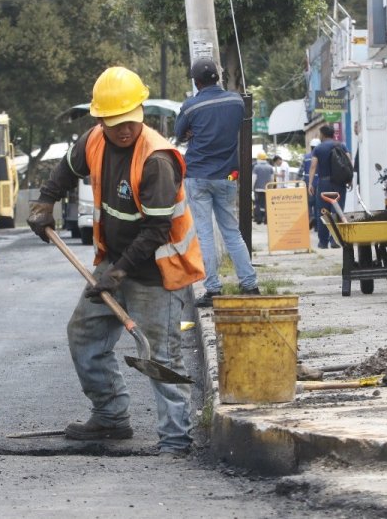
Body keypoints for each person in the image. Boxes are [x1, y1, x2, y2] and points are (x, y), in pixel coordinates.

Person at [26, 65, 205, 459]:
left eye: (130, 120)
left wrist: (118, 273)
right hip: (114, 263)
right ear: (101, 120)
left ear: (140, 112)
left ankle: (176, 439)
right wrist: (46, 200)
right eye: (114, 122)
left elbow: (157, 229)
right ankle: (110, 417)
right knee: (84, 334)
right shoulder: (93, 140)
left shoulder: (157, 159)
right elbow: (66, 169)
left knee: (160, 355)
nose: (124, 129)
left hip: (157, 271)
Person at [174, 58, 260, 308]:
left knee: (204, 233)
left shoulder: (190, 107)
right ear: (218, 78)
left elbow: (180, 134)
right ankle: (250, 284)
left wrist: (193, 132)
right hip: (228, 176)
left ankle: (213, 290)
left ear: (196, 82)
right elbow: (235, 122)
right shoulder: (235, 101)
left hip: (198, 176)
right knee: (232, 232)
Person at [307, 125, 351, 249]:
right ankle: (335, 240)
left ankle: (323, 242)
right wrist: (350, 179)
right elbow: (348, 162)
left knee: (323, 212)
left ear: (323, 134)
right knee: (337, 211)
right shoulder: (341, 145)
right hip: (339, 183)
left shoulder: (319, 148)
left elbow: (313, 166)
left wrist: (310, 183)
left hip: (324, 183)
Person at [252, 152, 274, 224]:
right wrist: (271, 188)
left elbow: (254, 178)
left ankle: (258, 219)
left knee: (257, 203)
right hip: (267, 189)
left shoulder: (256, 167)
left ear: (258, 159)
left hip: (258, 188)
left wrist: (252, 188)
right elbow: (272, 179)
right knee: (265, 204)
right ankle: (265, 219)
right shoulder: (270, 167)